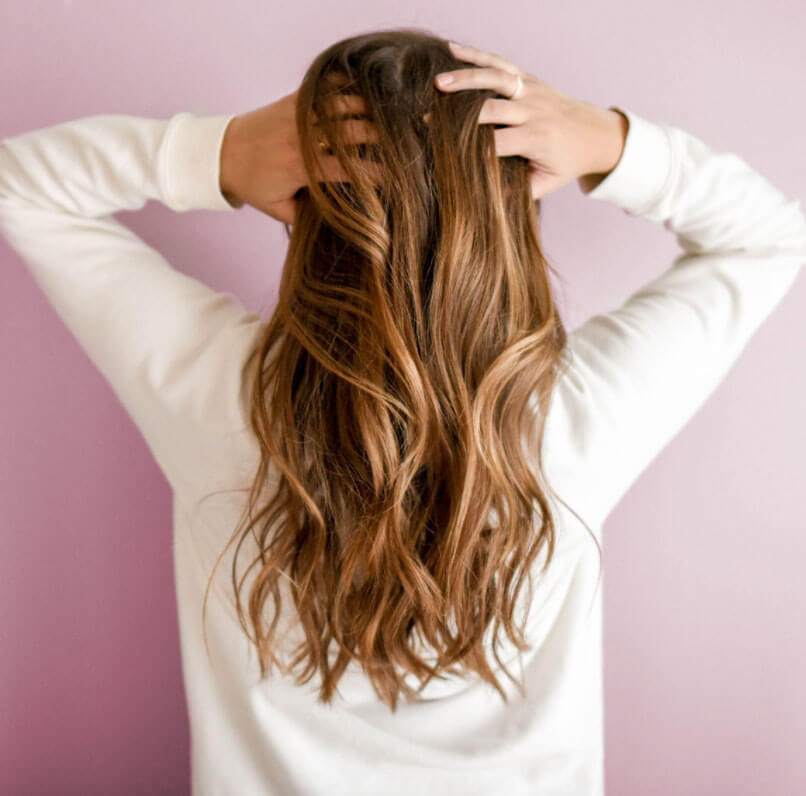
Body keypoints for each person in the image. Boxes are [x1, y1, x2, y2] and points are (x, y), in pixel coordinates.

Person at [1, 27, 803, 796]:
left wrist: (220, 153)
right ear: (510, 214)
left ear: (307, 205)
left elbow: (18, 183)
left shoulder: (223, 396)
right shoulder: (572, 420)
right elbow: (769, 238)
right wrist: (608, 142)